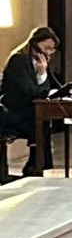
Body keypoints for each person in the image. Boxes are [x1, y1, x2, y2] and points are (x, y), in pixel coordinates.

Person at [2, 27, 59, 177]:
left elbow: (47, 88)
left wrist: (44, 75)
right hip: (12, 113)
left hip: (28, 111)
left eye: (52, 49)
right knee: (39, 119)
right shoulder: (18, 60)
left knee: (42, 118)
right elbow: (31, 91)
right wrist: (42, 74)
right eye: (46, 48)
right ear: (34, 44)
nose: (49, 53)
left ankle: (35, 163)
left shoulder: (40, 62)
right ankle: (35, 164)